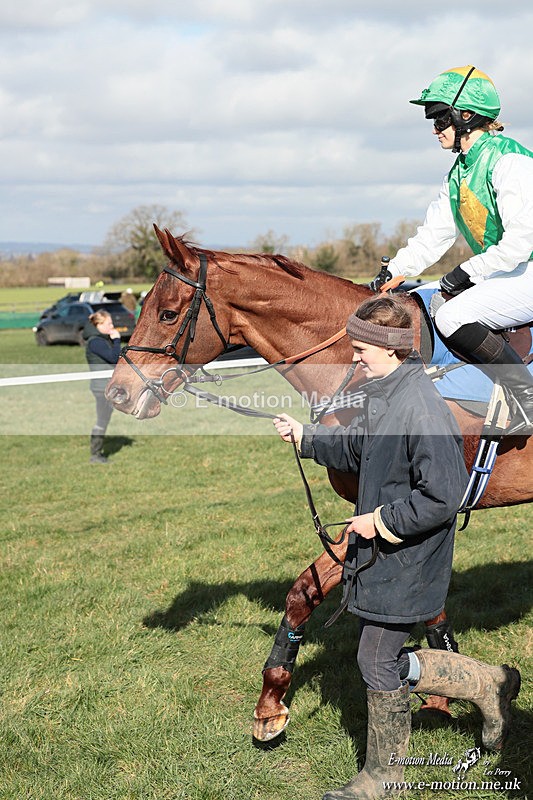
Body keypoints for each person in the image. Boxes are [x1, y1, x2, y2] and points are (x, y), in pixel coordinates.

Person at [273, 295, 520, 800]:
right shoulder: (387, 392)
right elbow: (360, 447)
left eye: (361, 348)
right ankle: (492, 683)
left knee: (375, 660)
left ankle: (384, 778)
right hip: (384, 553)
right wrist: (306, 438)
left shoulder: (420, 408)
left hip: (407, 557)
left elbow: (443, 495)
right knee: (380, 660)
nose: (354, 357)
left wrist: (382, 519)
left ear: (390, 350)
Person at [370, 65, 533, 435]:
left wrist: (464, 274)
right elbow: (434, 234)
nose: (433, 127)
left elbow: (522, 242)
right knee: (422, 303)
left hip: (526, 267)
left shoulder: (510, 161)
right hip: (510, 271)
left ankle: (528, 397)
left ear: (465, 116)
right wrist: (394, 271)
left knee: (451, 316)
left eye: (439, 117)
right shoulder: (460, 171)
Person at [85, 310, 121, 463]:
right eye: (109, 324)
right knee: (102, 419)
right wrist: (117, 340)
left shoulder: (101, 340)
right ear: (99, 325)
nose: (112, 326)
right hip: (101, 387)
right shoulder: (96, 342)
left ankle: (96, 452)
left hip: (105, 385)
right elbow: (114, 358)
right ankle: (95, 454)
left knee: (104, 418)